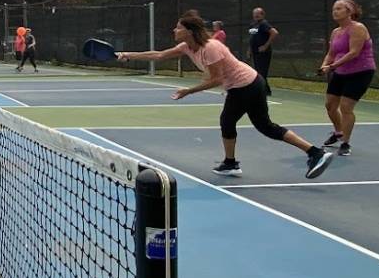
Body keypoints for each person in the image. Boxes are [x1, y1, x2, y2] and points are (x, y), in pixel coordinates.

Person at [117, 14, 335, 180]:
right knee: (259, 125)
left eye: (179, 28)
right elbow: (159, 55)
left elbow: (216, 79)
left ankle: (312, 153)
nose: (175, 30)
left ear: (190, 31)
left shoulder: (211, 48)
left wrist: (188, 91)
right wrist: (128, 55)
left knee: (242, 123)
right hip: (244, 85)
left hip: (247, 85)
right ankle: (312, 153)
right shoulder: (187, 46)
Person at [319, 0, 376, 157]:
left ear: (349, 11)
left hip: (361, 72)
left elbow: (354, 52)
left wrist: (332, 66)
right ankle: (338, 132)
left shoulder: (358, 28)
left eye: (338, 9)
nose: (334, 12)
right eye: (333, 9)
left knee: (345, 107)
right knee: (330, 105)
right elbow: (331, 53)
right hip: (340, 71)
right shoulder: (336, 32)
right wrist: (325, 65)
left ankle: (345, 143)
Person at [247, 8, 278, 95]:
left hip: (264, 53)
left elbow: (274, 33)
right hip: (255, 52)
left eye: (258, 14)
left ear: (262, 15)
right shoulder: (253, 24)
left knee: (261, 72)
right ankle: (266, 90)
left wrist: (265, 46)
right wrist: (249, 49)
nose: (256, 15)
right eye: (254, 14)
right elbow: (251, 38)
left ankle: (263, 91)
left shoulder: (264, 24)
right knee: (257, 71)